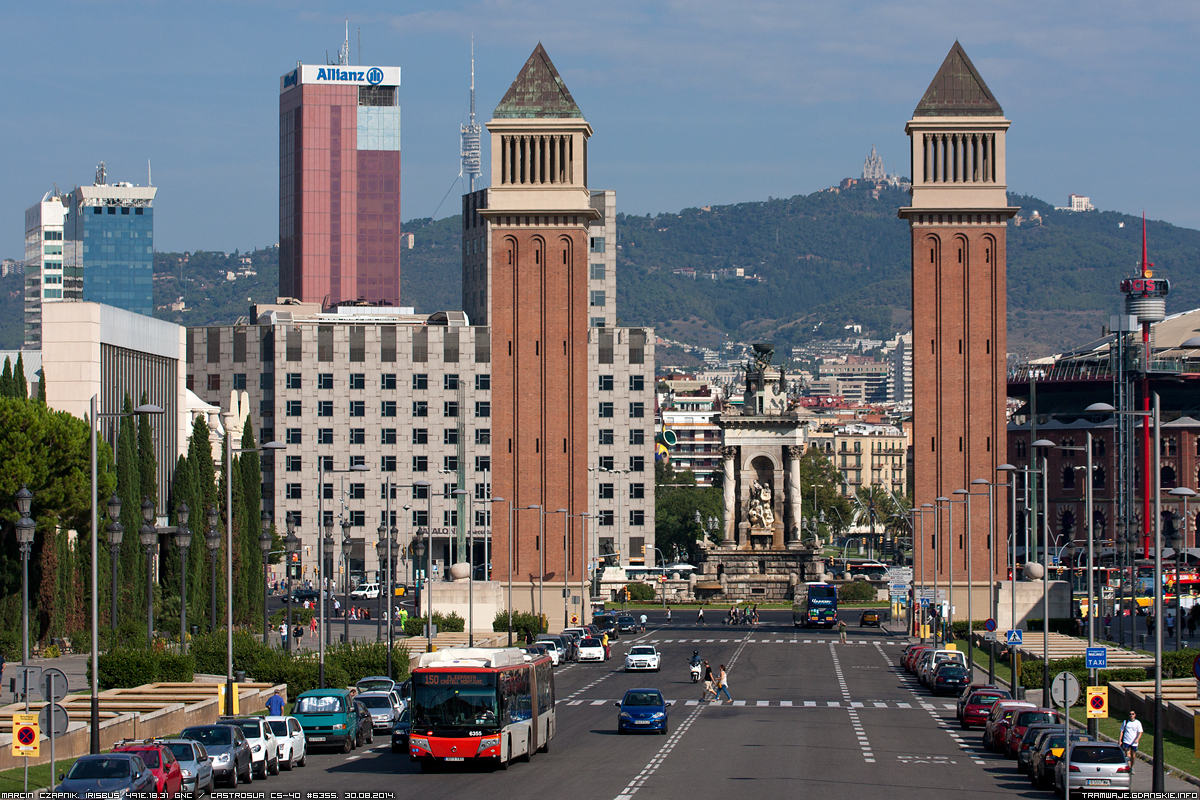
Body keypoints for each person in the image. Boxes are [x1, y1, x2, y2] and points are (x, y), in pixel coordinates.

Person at [1119, 710, 1143, 774]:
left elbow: (1140, 732)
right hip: (1126, 741)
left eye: (1133, 714)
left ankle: (1132, 767)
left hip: (1134, 742)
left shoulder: (1137, 723)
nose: (1131, 715)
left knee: (1133, 755)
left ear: (1135, 715)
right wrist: (1120, 740)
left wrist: (1137, 739)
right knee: (1127, 754)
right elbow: (1122, 731)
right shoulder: (1125, 722)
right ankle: (1129, 767)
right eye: (1130, 714)